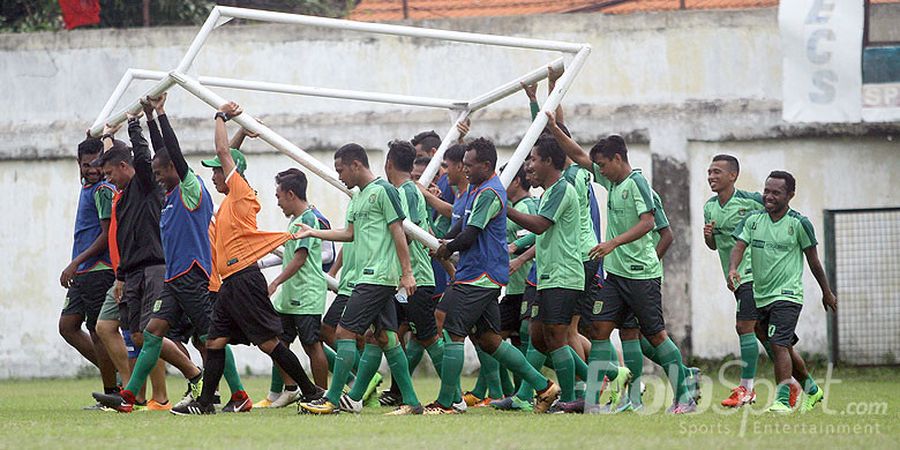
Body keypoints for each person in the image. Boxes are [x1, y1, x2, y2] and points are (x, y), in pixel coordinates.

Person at [94, 95, 249, 413]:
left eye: (161, 172)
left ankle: (239, 395)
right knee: (151, 335)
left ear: (174, 170)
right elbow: (162, 156)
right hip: (173, 278)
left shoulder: (191, 188)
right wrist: (149, 117)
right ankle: (129, 397)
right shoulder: (168, 194)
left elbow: (173, 152)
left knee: (211, 338)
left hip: (192, 275)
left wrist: (160, 113)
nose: (158, 177)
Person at [171, 101, 323, 415]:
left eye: (216, 171)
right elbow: (229, 156)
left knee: (269, 343)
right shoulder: (230, 197)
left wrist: (220, 116)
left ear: (230, 174)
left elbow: (226, 155)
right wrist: (243, 130)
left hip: (244, 280)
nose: (213, 176)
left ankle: (309, 391)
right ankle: (205, 404)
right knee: (214, 342)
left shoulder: (239, 192)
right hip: (231, 283)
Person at [547, 112, 694, 414]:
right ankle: (606, 401)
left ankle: (686, 395)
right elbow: (575, 153)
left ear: (617, 158)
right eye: (597, 165)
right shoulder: (610, 181)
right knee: (601, 330)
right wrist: (551, 127)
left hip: (640, 276)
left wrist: (613, 243)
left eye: (602, 164)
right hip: (614, 274)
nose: (599, 170)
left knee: (655, 336)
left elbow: (649, 224)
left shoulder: (637, 183)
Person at [425, 137, 560, 415]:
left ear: (487, 165)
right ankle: (544, 387)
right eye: (462, 165)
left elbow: (471, 235)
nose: (464, 170)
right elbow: (461, 225)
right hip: (478, 273)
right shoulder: (477, 189)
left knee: (452, 331)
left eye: (469, 165)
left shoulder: (489, 192)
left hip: (480, 274)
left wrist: (446, 248)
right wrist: (443, 240)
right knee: (489, 340)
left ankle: (448, 403)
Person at [296, 143, 422, 416]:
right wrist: (313, 233)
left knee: (343, 332)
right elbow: (348, 234)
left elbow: (399, 232)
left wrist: (407, 272)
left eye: (341, 170)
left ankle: (331, 400)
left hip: (378, 276)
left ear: (356, 165)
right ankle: (412, 402)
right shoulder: (357, 198)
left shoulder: (384, 191)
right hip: (367, 276)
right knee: (387, 337)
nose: (340, 176)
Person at [730, 171, 836, 413]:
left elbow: (814, 262)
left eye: (776, 192)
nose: (769, 196)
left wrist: (826, 292)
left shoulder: (799, 223)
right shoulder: (753, 220)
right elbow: (738, 246)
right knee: (783, 346)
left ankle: (782, 399)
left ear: (790, 195)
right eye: (767, 191)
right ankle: (811, 389)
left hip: (787, 295)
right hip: (760, 295)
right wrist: (733, 269)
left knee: (778, 345)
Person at [93, 113, 172, 410]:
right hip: (132, 274)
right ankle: (137, 393)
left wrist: (136, 124)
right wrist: (122, 278)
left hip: (154, 269)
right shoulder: (123, 199)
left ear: (126, 168)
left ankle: (160, 396)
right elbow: (125, 243)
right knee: (138, 335)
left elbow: (143, 154)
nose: (109, 180)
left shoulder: (146, 187)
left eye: (111, 174)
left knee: (150, 333)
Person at [506, 135, 588, 410]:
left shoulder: (563, 189)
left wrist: (504, 209)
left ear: (549, 161)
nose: (529, 165)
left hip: (564, 274)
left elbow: (539, 226)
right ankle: (595, 382)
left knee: (556, 336)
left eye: (533, 159)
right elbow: (540, 236)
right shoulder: (549, 193)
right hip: (547, 275)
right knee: (539, 337)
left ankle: (571, 397)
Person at [702, 154, 771, 408]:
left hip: (753, 275)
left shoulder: (751, 201)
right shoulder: (709, 206)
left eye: (717, 172)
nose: (711, 176)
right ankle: (802, 384)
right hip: (734, 278)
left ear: (733, 176)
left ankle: (747, 389)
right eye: (709, 172)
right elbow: (713, 246)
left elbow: (778, 214)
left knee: (744, 327)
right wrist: (708, 236)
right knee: (766, 335)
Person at [59, 137, 118, 408]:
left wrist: (74, 263)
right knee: (68, 327)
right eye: (86, 165)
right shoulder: (88, 186)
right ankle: (117, 370)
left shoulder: (103, 190)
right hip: (82, 272)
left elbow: (106, 236)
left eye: (97, 164)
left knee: (98, 331)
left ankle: (112, 391)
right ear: (78, 164)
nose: (92, 169)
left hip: (97, 270)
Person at [265, 168, 330, 407]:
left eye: (279, 196)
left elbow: (300, 258)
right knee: (277, 343)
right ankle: (291, 389)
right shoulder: (296, 222)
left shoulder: (310, 220)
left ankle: (322, 395)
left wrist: (275, 281)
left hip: (307, 294)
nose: (278, 202)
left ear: (291, 194)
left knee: (312, 344)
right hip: (290, 295)